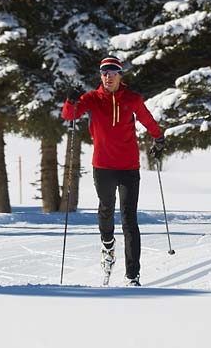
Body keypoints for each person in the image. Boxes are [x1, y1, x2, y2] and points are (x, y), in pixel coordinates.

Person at [61, 56, 165, 286]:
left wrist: (158, 137)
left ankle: (132, 275)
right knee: (106, 210)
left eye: (112, 72)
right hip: (103, 166)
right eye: (104, 72)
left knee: (130, 220)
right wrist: (70, 100)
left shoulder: (132, 99)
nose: (107, 76)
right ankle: (107, 245)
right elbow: (69, 115)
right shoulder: (92, 99)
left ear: (120, 75)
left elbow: (147, 120)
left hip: (129, 167)